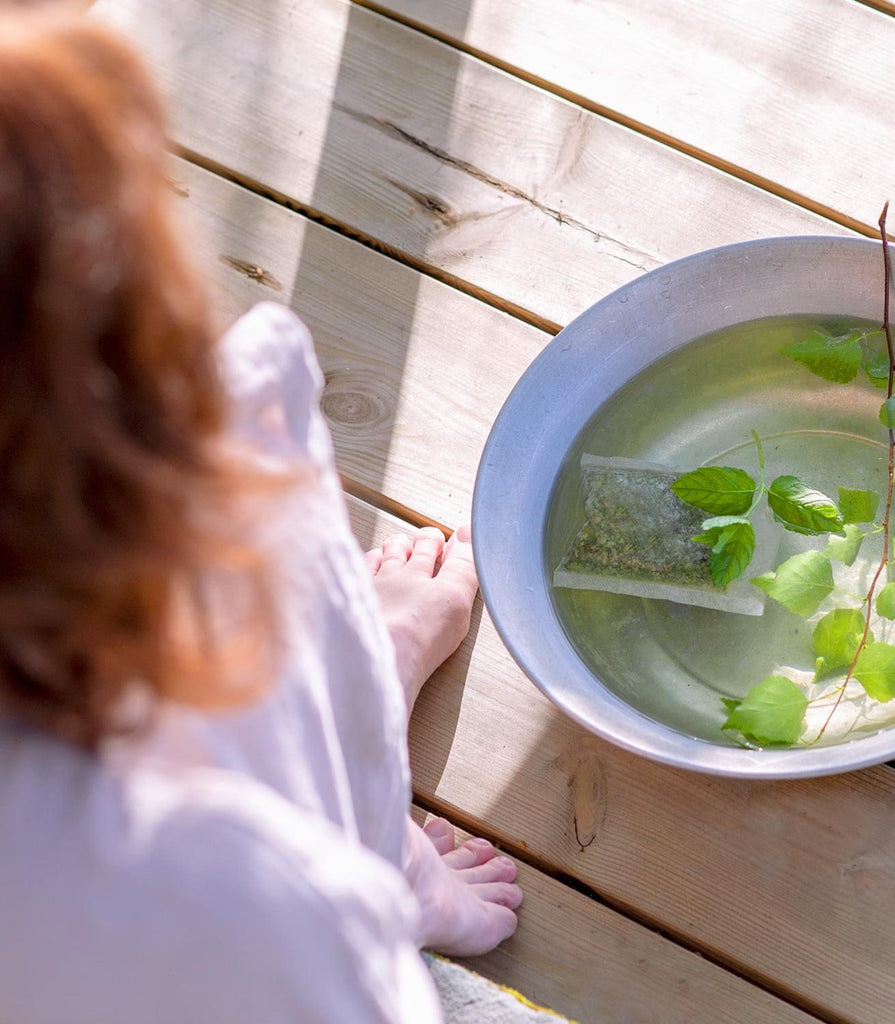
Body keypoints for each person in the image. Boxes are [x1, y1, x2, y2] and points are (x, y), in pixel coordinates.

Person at [0, 7, 521, 1022]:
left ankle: (362, 704)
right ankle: (381, 842)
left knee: (255, 517)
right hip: (212, 921)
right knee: (252, 527)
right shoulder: (205, 888)